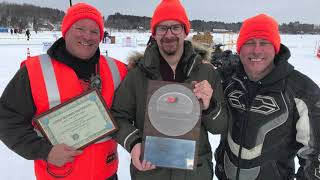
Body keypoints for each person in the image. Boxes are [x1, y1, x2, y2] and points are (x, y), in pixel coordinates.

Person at [0, 3, 127, 180]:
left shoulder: (118, 70)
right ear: (65, 30)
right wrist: (45, 151)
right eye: (80, 28)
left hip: (106, 175)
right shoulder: (34, 71)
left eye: (94, 31)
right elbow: (7, 119)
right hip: (57, 175)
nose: (87, 36)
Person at [111, 0, 228, 179]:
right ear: (154, 34)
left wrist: (209, 106)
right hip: (150, 172)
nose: (169, 34)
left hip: (195, 172)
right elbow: (118, 117)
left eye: (175, 27)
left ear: (185, 31)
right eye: (162, 28)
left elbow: (219, 127)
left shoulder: (206, 72)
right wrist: (134, 143)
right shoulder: (137, 75)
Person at [214, 14, 320, 180]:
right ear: (240, 48)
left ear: (275, 47)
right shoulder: (227, 80)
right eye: (249, 42)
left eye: (264, 43)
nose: (256, 50)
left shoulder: (302, 90)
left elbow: (315, 153)